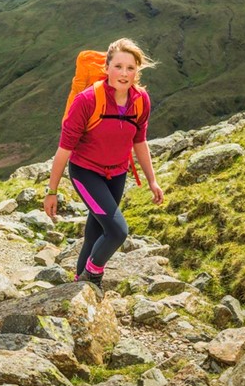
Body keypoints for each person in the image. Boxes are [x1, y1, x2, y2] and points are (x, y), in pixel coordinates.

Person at [43, 38, 164, 288]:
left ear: (137, 71)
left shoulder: (141, 100)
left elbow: (139, 141)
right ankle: (93, 273)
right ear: (107, 67)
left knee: (96, 232)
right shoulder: (88, 100)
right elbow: (64, 149)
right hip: (85, 172)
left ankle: (80, 284)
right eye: (118, 66)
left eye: (130, 68)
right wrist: (51, 191)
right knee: (118, 231)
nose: (124, 73)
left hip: (118, 173)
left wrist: (152, 180)